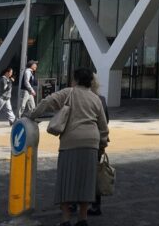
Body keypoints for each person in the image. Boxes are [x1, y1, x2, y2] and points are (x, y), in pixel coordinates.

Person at [31, 67, 109, 226]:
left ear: (76, 80)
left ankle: (65, 220)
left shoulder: (69, 93)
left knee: (66, 181)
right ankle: (83, 219)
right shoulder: (96, 99)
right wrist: (102, 144)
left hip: (71, 142)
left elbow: (47, 101)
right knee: (86, 182)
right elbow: (103, 126)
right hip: (91, 143)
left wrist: (31, 115)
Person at [88, 77, 110, 217]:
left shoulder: (76, 98)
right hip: (98, 140)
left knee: (80, 172)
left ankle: (74, 202)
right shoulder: (101, 99)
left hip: (83, 141)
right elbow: (106, 119)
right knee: (95, 173)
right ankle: (96, 205)